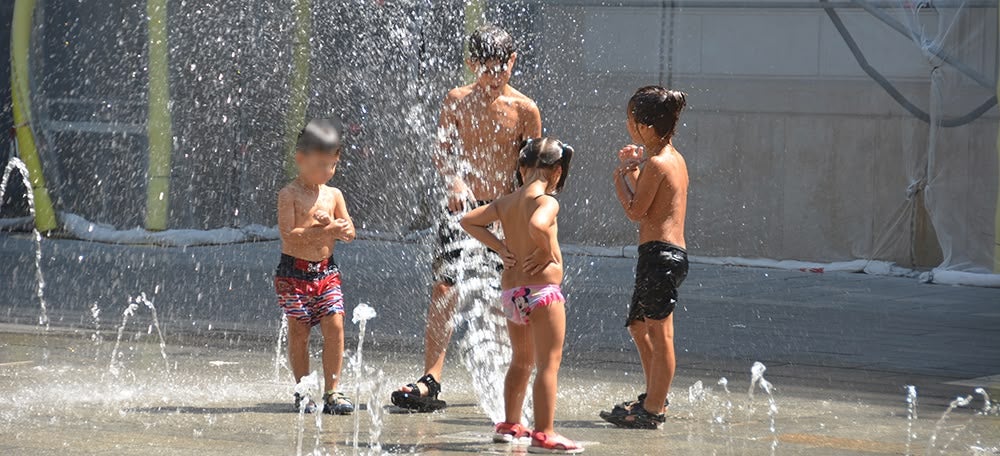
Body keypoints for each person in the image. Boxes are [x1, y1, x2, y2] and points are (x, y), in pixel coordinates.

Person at [391, 24, 542, 412]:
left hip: (505, 213)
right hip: (463, 212)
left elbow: (534, 170)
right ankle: (430, 379)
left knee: (504, 294)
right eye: (486, 69)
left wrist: (525, 213)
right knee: (444, 288)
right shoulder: (456, 100)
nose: (494, 78)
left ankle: (511, 375)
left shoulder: (525, 109)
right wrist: (455, 180)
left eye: (501, 68)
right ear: (473, 64)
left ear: (513, 62)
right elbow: (442, 152)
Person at [461, 138, 583, 453]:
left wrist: (501, 248)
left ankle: (510, 425)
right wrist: (549, 252)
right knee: (548, 364)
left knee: (521, 361)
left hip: (513, 293)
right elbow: (538, 225)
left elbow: (468, 220)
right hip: (543, 294)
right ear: (557, 171)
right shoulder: (546, 201)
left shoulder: (506, 202)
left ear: (521, 167)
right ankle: (544, 432)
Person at [600, 86, 689, 429]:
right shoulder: (671, 158)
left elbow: (636, 211)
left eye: (631, 120)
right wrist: (632, 172)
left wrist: (619, 178)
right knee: (639, 326)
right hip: (663, 255)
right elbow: (651, 202)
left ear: (646, 128)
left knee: (661, 334)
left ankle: (653, 408)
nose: (628, 125)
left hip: (660, 256)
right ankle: (655, 394)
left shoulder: (658, 162)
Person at [275, 118, 357, 414]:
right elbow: (289, 235)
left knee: (335, 325)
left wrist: (337, 226)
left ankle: (332, 391)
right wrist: (324, 230)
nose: (327, 171)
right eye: (321, 164)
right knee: (300, 332)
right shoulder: (289, 195)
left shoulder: (334, 195)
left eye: (332, 165)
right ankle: (303, 390)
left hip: (326, 271)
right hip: (293, 274)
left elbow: (349, 232)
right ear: (300, 158)